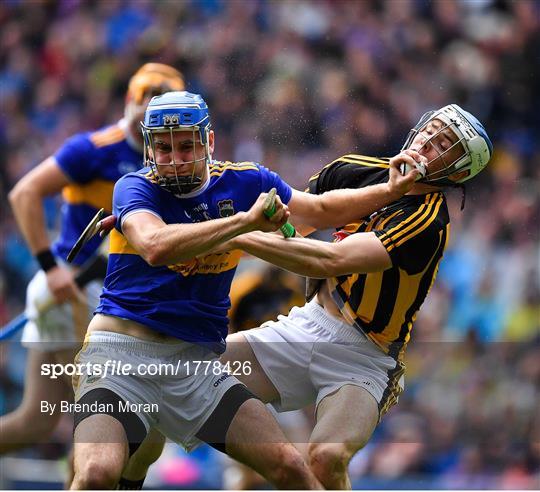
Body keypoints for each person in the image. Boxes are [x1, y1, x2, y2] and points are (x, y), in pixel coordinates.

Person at [69, 90, 421, 489]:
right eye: (163, 148)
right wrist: (243, 223)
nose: (174, 158)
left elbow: (321, 210)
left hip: (195, 365)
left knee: (290, 468)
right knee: (97, 473)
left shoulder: (245, 181)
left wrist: (390, 191)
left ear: (209, 143)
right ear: (149, 148)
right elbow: (155, 246)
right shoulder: (135, 187)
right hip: (121, 360)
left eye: (186, 146)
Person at [221, 104, 493, 489]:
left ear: (458, 172)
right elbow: (295, 221)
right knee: (192, 372)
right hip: (307, 323)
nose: (426, 144)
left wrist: (228, 233)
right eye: (429, 131)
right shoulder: (353, 168)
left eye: (443, 145)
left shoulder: (427, 222)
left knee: (327, 457)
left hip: (365, 356)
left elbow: (329, 260)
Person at [4, 63, 184, 482]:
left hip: (109, 300)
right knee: (105, 414)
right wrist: (50, 267)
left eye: (163, 107)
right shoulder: (95, 149)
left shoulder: (175, 162)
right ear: (129, 102)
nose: (151, 114)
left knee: (36, 421)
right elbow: (24, 192)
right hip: (74, 294)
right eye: (145, 101)